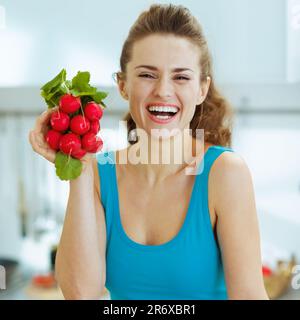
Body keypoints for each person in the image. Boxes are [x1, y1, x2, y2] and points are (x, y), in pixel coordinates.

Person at [29, 4, 269, 300]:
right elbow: (80, 294)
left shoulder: (224, 173)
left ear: (201, 89)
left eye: (181, 77)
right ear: (123, 85)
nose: (163, 91)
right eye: (147, 75)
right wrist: (77, 166)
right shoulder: (99, 172)